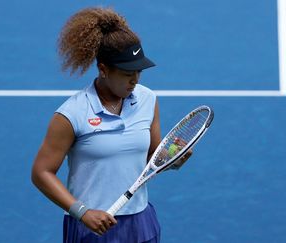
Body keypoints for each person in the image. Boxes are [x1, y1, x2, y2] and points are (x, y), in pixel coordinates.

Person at [31, 7, 191, 243]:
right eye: (127, 73)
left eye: (139, 71)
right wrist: (82, 212)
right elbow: (41, 172)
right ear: (103, 70)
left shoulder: (148, 100)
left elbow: (152, 158)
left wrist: (172, 159)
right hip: (93, 227)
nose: (135, 80)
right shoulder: (72, 114)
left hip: (141, 221)